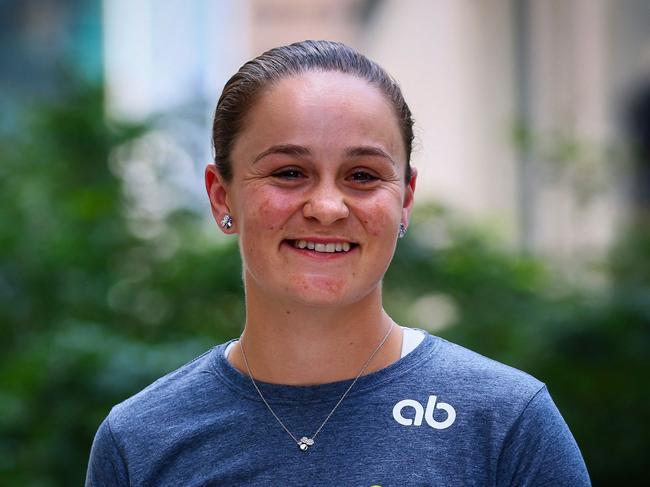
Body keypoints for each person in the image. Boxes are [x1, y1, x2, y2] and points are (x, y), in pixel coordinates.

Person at [85, 40, 590, 486]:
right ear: (222, 197)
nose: (327, 207)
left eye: (363, 176)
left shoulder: (505, 423)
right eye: (289, 172)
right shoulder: (141, 440)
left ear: (405, 199)